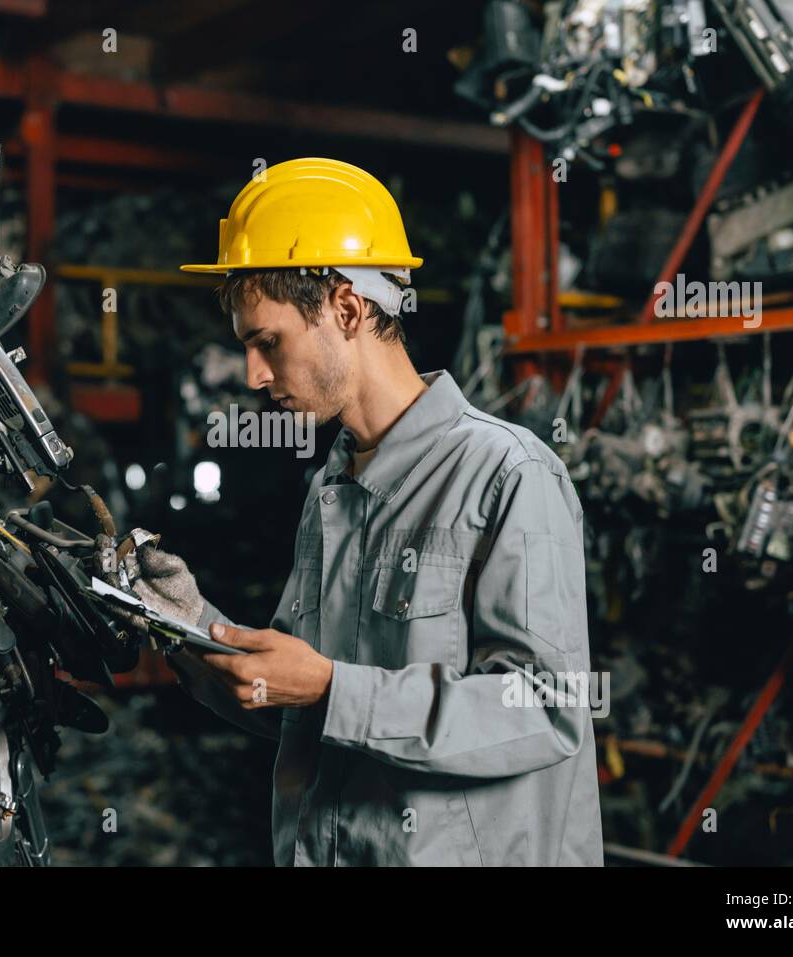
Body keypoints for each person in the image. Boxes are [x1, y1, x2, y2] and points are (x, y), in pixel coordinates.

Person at [125, 157, 603, 866]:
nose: (255, 375)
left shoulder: (507, 473)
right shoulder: (334, 488)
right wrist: (189, 628)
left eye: (268, 342)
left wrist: (332, 688)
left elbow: (546, 708)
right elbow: (293, 697)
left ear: (346, 309)